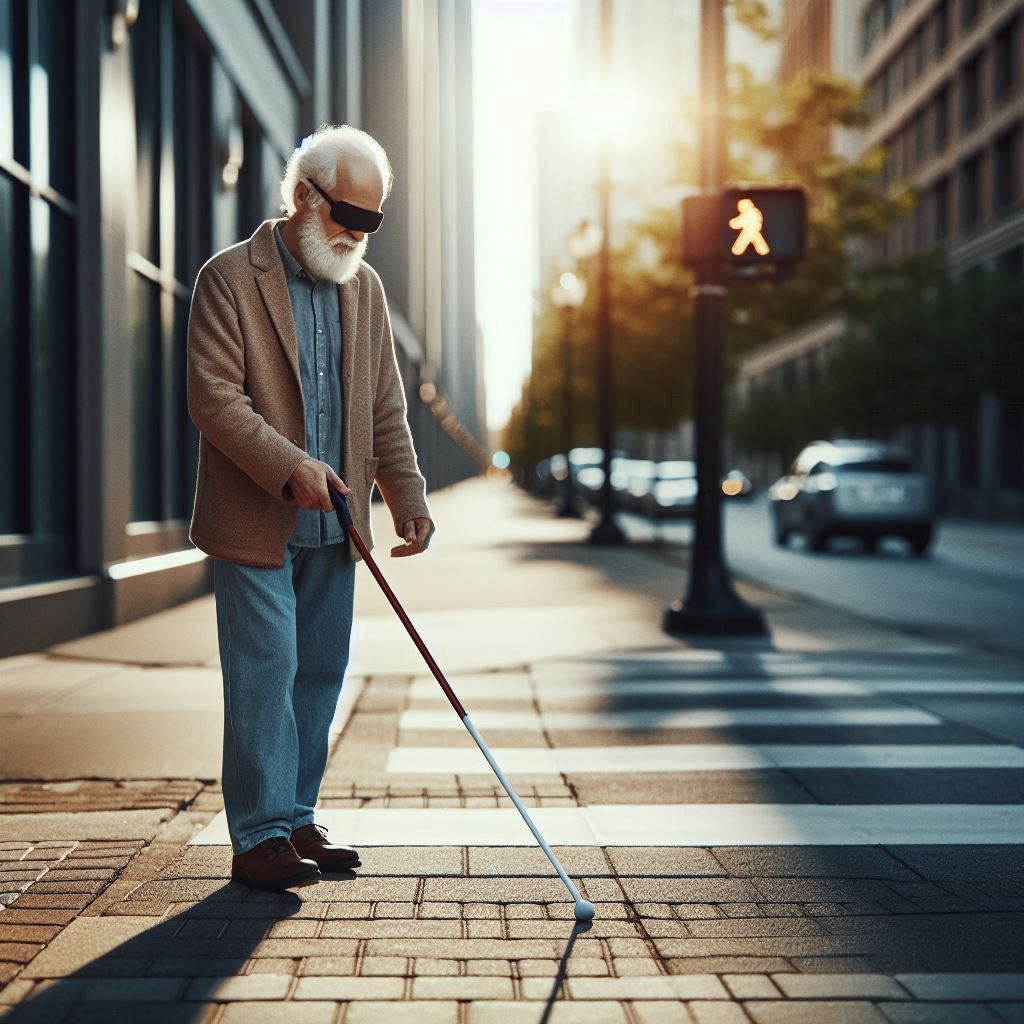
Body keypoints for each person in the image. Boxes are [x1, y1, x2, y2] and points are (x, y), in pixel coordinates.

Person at [186, 124, 435, 892]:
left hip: (338, 524)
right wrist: (289, 467)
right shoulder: (229, 278)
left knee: (320, 670)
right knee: (267, 670)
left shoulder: (363, 288)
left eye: (372, 221)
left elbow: (386, 405)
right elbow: (214, 399)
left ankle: (295, 815)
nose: (358, 235)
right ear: (302, 196)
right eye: (347, 217)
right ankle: (258, 834)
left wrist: (408, 495)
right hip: (256, 520)